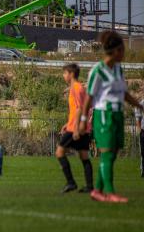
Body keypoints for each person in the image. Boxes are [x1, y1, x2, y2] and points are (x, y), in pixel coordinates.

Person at [82, 31, 144, 203]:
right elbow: (88, 98)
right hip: (103, 115)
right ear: (115, 50)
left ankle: (97, 190)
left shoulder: (119, 69)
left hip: (117, 115)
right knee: (106, 153)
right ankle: (110, 192)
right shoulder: (97, 71)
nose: (124, 54)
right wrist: (83, 121)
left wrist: (140, 106)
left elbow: (124, 93)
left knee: (112, 155)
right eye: (122, 50)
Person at [56, 63, 93, 194]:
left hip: (75, 128)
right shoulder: (79, 88)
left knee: (59, 152)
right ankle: (89, 186)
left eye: (65, 73)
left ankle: (71, 182)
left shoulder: (75, 88)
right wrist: (68, 122)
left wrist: (76, 128)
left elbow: (79, 109)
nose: (63, 75)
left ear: (71, 74)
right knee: (84, 156)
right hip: (82, 127)